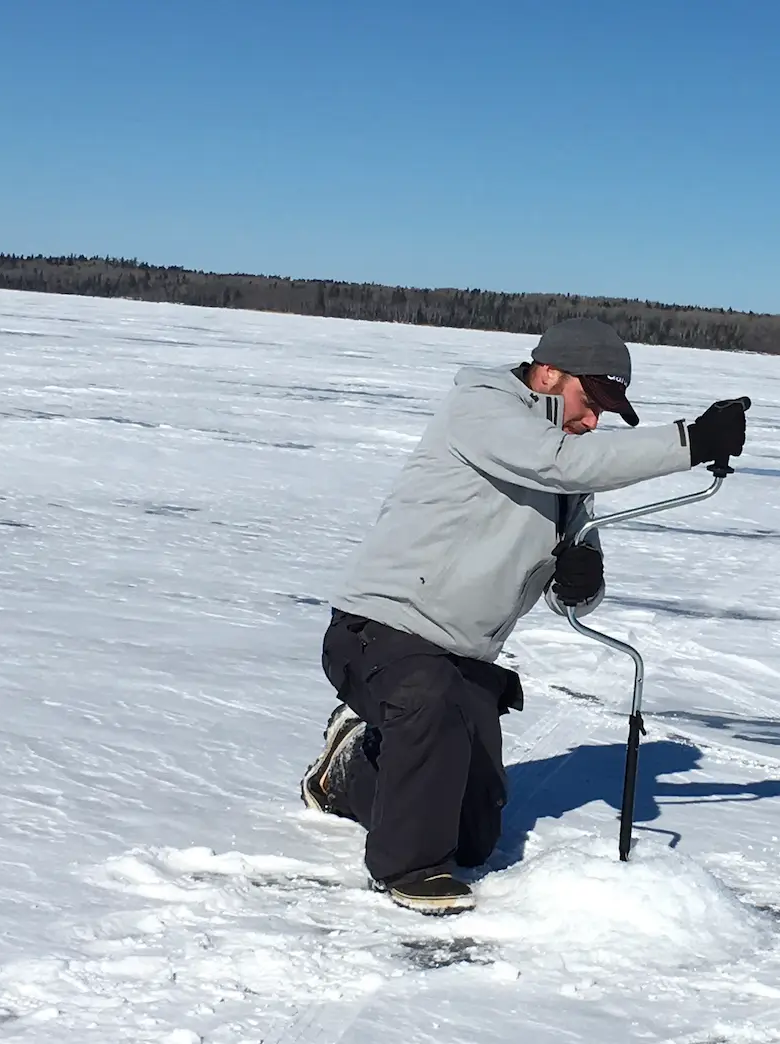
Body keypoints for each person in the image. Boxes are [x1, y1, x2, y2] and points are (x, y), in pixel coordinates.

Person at [302, 317, 749, 914]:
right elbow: (557, 461)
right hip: (379, 632)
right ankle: (408, 871)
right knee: (425, 705)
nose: (593, 422)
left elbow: (575, 600)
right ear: (546, 374)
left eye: (604, 412)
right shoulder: (483, 408)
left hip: (463, 660)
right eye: (589, 402)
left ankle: (351, 766)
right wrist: (690, 441)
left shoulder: (570, 480)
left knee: (473, 836)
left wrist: (581, 582)